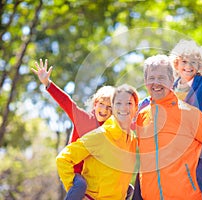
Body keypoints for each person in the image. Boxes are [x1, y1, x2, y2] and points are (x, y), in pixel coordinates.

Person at [31, 59, 133, 200]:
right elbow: (66, 102)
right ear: (95, 103)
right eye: (101, 104)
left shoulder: (110, 129)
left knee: (128, 188)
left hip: (92, 176)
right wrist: (48, 83)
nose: (104, 109)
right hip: (75, 173)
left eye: (109, 107)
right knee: (80, 186)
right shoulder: (83, 118)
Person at [134, 54, 202, 199]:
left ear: (172, 81)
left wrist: (194, 171)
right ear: (145, 82)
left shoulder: (189, 114)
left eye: (161, 78)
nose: (156, 83)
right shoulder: (141, 117)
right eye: (151, 78)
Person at [56, 84, 139, 200]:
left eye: (129, 103)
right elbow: (63, 159)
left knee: (130, 188)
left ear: (136, 108)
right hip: (84, 187)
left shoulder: (132, 140)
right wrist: (75, 191)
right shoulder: (101, 135)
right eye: (119, 103)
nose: (124, 108)